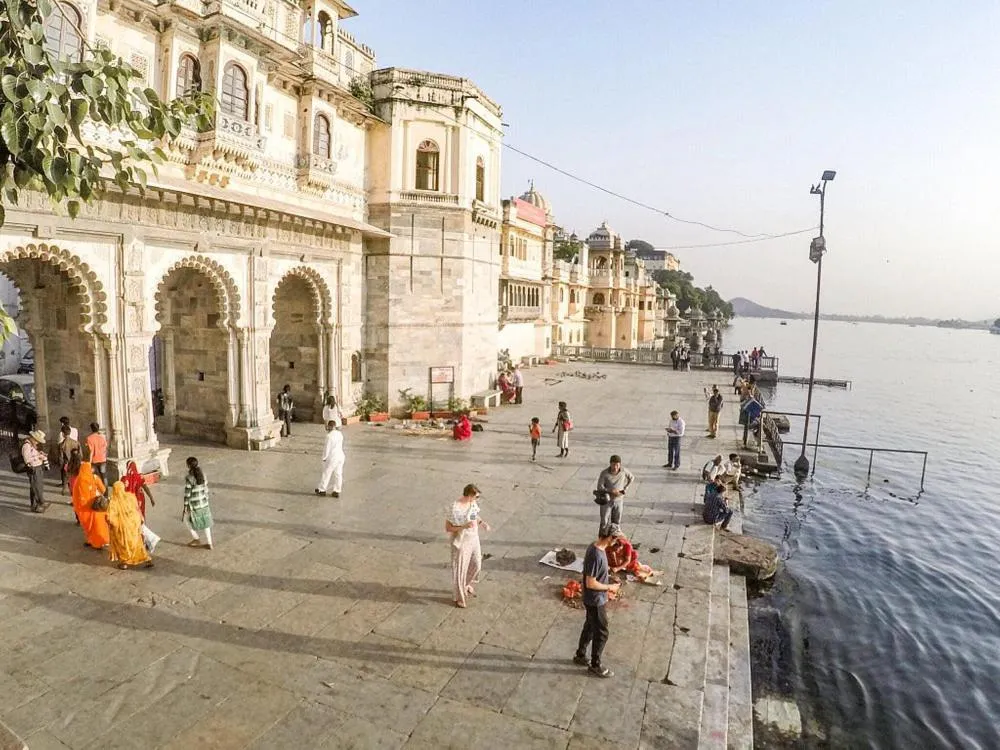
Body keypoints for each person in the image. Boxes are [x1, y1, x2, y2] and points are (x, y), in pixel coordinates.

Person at [573, 526, 621, 678]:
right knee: (601, 632)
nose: (617, 541)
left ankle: (580, 654)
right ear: (609, 538)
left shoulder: (595, 547)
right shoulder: (596, 555)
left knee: (590, 625)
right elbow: (591, 583)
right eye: (616, 538)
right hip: (595, 599)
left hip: (593, 598)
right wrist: (609, 587)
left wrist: (607, 577)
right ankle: (595, 664)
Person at [444, 483, 490, 608]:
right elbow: (448, 528)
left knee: (477, 564)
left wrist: (482, 523)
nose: (477, 499)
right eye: (476, 497)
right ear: (469, 495)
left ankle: (466, 583)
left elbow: (474, 515)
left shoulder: (472, 503)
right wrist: (464, 526)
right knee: (460, 569)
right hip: (462, 541)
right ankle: (460, 597)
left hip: (474, 538)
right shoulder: (454, 508)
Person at [106, 481, 153, 570]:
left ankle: (125, 563)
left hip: (122, 527)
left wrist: (115, 525)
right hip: (134, 523)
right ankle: (147, 559)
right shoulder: (130, 496)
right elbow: (137, 508)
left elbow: (110, 518)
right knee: (137, 543)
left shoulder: (113, 502)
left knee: (124, 545)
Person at [72, 452, 110, 548]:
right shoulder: (94, 478)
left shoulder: (78, 481)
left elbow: (75, 496)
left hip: (84, 509)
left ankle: (92, 541)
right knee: (99, 525)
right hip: (96, 506)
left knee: (89, 527)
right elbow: (104, 489)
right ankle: (102, 541)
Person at [596, 454, 634, 533]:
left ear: (620, 465)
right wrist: (610, 490)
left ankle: (614, 539)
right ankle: (602, 538)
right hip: (607, 500)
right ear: (610, 464)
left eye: (617, 465)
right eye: (613, 465)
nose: (615, 467)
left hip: (619, 500)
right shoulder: (604, 473)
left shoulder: (624, 471)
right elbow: (600, 486)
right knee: (604, 521)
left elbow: (632, 478)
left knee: (616, 521)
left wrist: (625, 488)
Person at [183, 456, 214, 549]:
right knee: (206, 523)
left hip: (194, 504)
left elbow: (187, 493)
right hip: (204, 503)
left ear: (188, 466)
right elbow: (206, 488)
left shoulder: (189, 478)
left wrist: (185, 506)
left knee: (186, 520)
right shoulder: (203, 475)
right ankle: (210, 543)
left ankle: (196, 538)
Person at [315, 421, 346, 497]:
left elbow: (327, 448)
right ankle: (337, 490)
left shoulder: (329, 436)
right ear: (335, 426)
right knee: (338, 474)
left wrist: (324, 457)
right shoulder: (339, 434)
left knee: (326, 473)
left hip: (332, 457)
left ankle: (322, 490)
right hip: (340, 455)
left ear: (329, 426)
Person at [22, 429, 49, 513]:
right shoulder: (26, 446)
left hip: (38, 467)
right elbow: (27, 459)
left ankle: (38, 503)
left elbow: (33, 455)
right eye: (37, 440)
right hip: (33, 468)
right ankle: (37, 505)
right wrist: (38, 457)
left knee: (37, 486)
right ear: (33, 438)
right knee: (35, 487)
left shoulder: (32, 445)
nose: (37, 442)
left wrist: (39, 454)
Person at [58, 423, 79, 496]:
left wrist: (61, 466)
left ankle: (65, 491)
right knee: (75, 480)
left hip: (66, 463)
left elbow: (60, 457)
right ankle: (75, 495)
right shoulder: (76, 443)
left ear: (63, 434)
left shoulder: (61, 445)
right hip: (75, 463)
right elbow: (80, 455)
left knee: (66, 480)